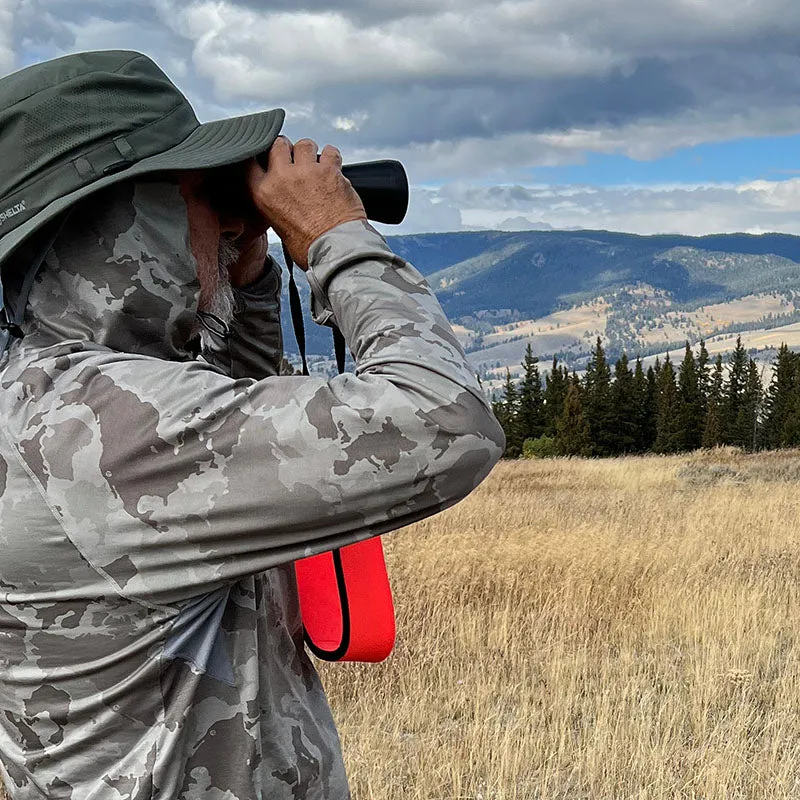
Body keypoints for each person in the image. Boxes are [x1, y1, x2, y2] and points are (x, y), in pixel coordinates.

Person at [0, 51, 505, 798]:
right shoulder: (108, 428)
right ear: (124, 220)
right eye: (207, 196)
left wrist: (247, 280)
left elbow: (224, 431)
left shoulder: (48, 403)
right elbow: (450, 419)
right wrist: (337, 236)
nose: (237, 218)